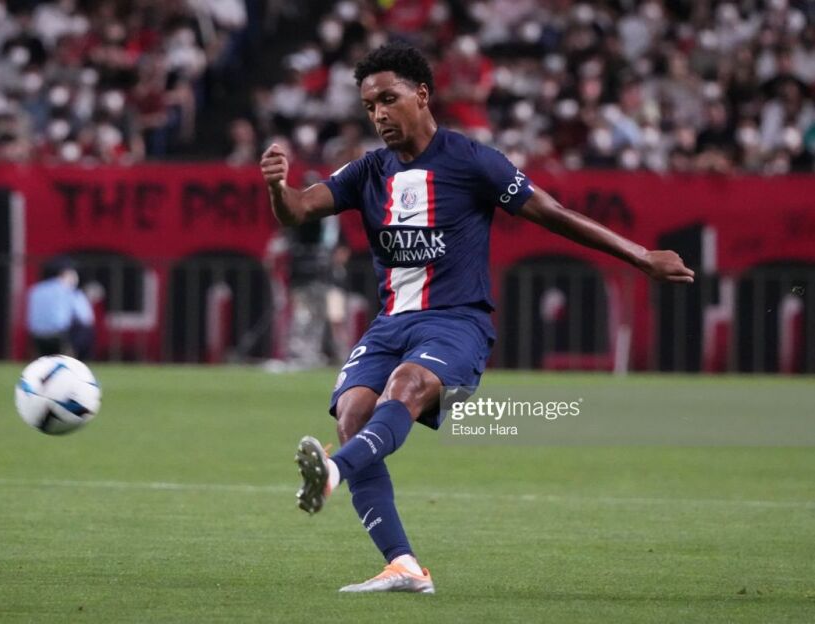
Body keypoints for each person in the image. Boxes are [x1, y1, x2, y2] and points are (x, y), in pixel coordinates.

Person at [259, 43, 694, 594]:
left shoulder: (471, 161)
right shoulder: (368, 171)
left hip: (456, 323)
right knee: (351, 414)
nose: (379, 115)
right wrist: (277, 187)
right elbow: (298, 209)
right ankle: (403, 566)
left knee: (405, 386)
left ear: (422, 95)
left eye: (388, 99)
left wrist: (640, 255)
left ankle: (335, 472)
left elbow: (553, 213)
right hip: (391, 324)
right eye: (369, 107)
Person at [26, 258, 95, 360]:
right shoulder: (69, 290)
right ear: (66, 274)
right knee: (86, 329)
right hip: (60, 336)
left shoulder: (36, 289)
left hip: (36, 336)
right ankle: (78, 359)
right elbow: (86, 318)